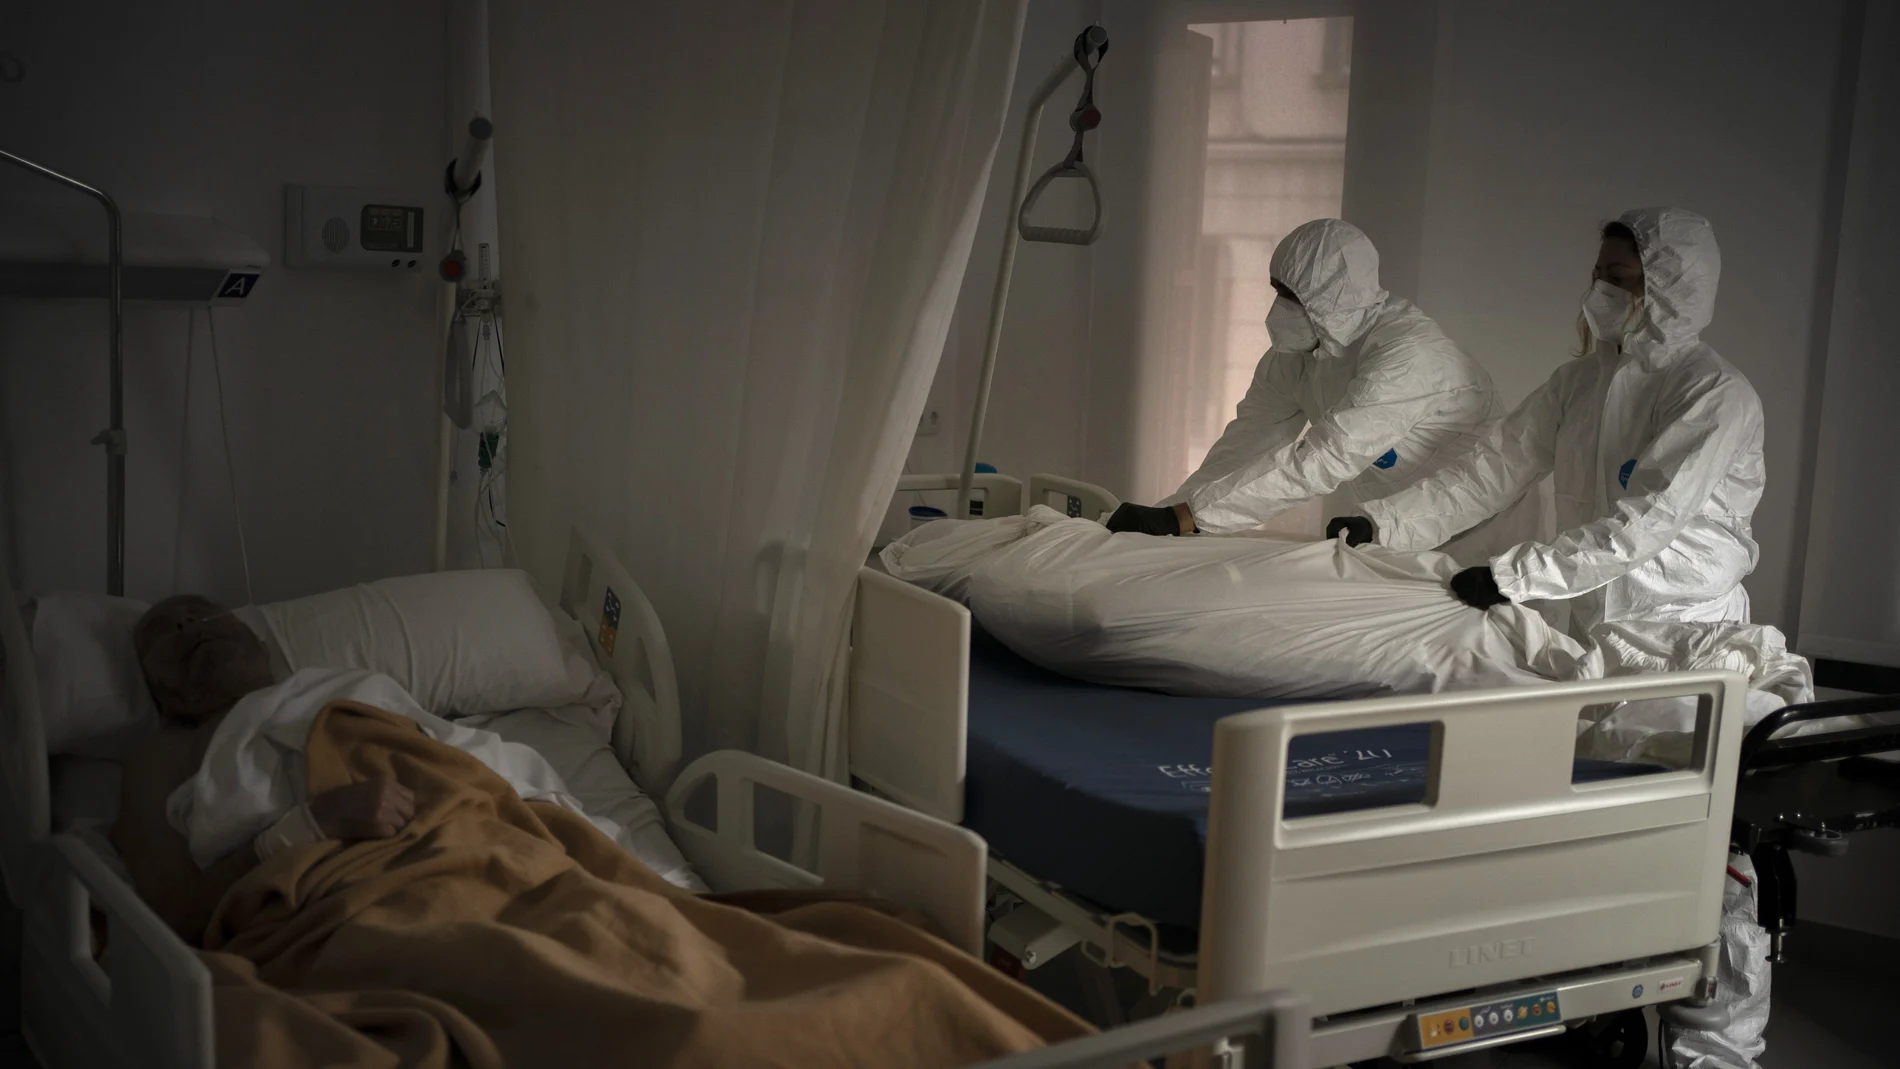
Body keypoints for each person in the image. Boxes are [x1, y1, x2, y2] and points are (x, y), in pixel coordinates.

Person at [1335, 208, 1765, 638]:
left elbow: (1650, 520)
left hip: (1682, 623)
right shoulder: (1580, 383)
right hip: (1592, 615)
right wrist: (1383, 525)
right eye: (1597, 275)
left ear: (1671, 290)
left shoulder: (1712, 393)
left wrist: (1516, 577)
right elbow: (1493, 469)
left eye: (1617, 277)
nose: (1599, 291)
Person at [1104, 217, 1540, 565]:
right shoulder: (1296, 356)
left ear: (1332, 298)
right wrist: (1169, 516)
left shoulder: (1409, 355)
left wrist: (1190, 518)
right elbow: (1243, 447)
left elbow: (1327, 457)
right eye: (1276, 291)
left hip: (1483, 533)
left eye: (1292, 296)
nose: (1278, 308)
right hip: (1389, 525)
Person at [111, 595, 414, 942]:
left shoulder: (351, 688)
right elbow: (170, 916)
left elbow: (452, 765)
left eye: (201, 612)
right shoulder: (163, 756)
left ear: (262, 646)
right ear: (163, 696)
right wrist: (308, 826)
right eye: (162, 633)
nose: (186, 624)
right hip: (330, 915)